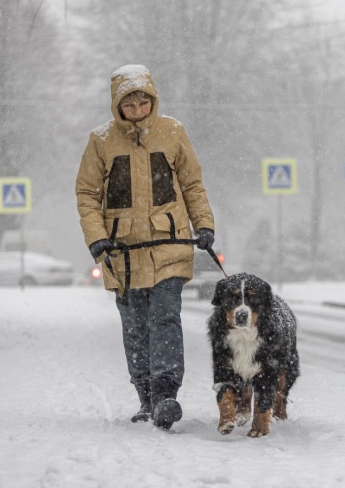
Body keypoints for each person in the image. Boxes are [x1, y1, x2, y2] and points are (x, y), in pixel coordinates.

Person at [75, 65, 216, 429]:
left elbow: (192, 184)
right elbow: (87, 193)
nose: (137, 109)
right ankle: (146, 396)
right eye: (129, 104)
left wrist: (204, 225)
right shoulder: (101, 140)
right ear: (117, 105)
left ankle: (166, 393)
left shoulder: (172, 132)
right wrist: (97, 237)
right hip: (122, 253)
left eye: (143, 102)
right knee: (136, 326)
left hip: (169, 246)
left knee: (165, 318)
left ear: (152, 99)